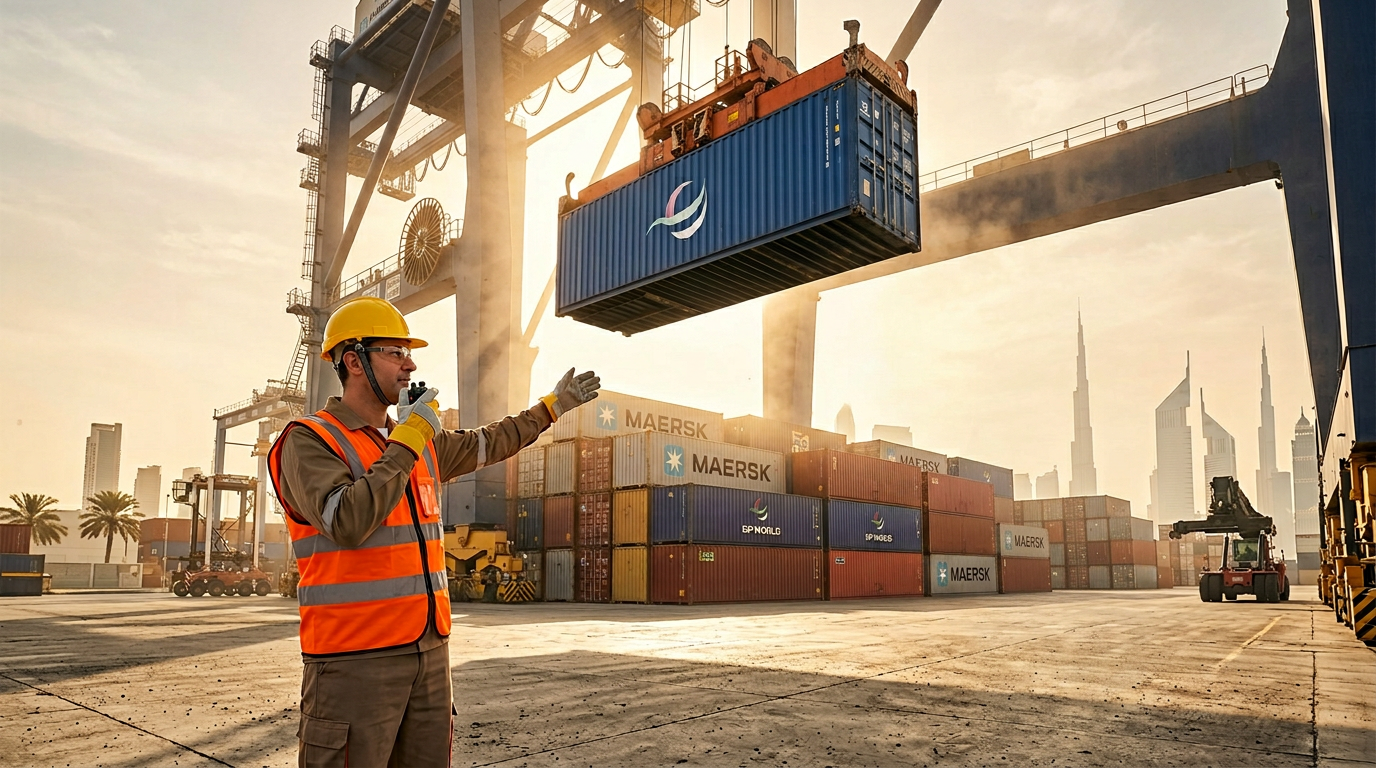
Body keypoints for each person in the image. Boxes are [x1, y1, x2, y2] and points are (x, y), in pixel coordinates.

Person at [267, 296, 599, 767]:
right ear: (351, 360)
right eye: (394, 352)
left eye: (409, 352)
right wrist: (408, 438)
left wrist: (551, 407)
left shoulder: (417, 441)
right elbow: (346, 521)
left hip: (428, 650)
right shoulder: (309, 439)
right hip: (355, 658)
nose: (410, 364)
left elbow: (488, 442)